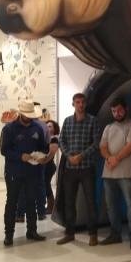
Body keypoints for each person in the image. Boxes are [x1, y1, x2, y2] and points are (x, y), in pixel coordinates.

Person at [1, 100, 49, 246]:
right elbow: (4, 150)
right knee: (12, 202)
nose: (28, 117)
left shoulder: (38, 128)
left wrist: (42, 156)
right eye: (26, 114)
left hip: (33, 171)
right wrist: (20, 156)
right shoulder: (9, 129)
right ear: (21, 113)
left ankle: (32, 231)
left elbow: (44, 147)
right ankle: (9, 234)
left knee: (31, 201)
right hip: (14, 171)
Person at [56, 93, 100, 246]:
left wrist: (81, 156)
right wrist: (68, 156)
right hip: (70, 168)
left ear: (85, 104)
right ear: (73, 104)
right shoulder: (67, 121)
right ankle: (70, 233)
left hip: (86, 168)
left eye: (82, 102)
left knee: (90, 202)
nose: (80, 105)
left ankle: (93, 234)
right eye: (77, 102)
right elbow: (61, 140)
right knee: (69, 202)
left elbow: (96, 143)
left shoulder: (93, 121)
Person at [99, 97, 131, 249]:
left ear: (126, 109)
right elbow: (102, 147)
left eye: (119, 110)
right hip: (109, 173)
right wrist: (109, 158)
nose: (117, 113)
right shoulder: (108, 127)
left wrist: (116, 158)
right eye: (114, 111)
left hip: (128, 172)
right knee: (111, 205)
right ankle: (115, 234)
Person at [45, 120, 60, 214]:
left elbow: (52, 152)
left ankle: (51, 206)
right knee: (45, 185)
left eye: (50, 126)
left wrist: (44, 160)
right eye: (47, 126)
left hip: (49, 165)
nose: (48, 128)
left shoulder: (54, 138)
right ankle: (50, 205)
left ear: (54, 129)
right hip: (45, 165)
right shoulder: (47, 138)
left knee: (46, 185)